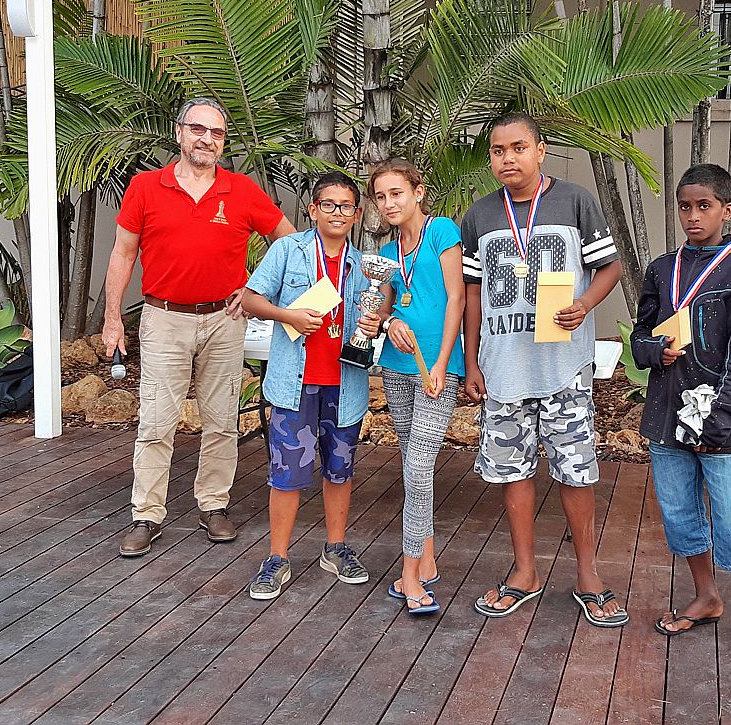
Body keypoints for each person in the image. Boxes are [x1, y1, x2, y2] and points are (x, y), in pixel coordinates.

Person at [105, 97, 295, 559]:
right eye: (198, 129)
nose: (207, 139)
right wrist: (112, 319)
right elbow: (123, 254)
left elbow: (289, 240)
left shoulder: (242, 190)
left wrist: (254, 290)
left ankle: (213, 506)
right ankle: (146, 515)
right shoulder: (146, 187)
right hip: (164, 318)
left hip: (225, 320)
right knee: (156, 422)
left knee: (221, 421)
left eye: (216, 133)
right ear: (179, 133)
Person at [460, 112, 629, 628]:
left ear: (540, 151)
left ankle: (588, 576)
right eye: (496, 151)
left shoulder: (574, 201)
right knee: (513, 471)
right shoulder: (481, 215)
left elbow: (610, 266)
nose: (506, 158)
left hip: (563, 365)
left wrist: (584, 304)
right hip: (505, 366)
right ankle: (525, 574)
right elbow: (470, 291)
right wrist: (471, 360)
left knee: (576, 472)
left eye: (517, 148)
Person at [629, 163, 731, 661]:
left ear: (726, 211)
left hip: (716, 421)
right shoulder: (661, 269)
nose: (693, 216)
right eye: (685, 207)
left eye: (704, 206)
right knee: (679, 513)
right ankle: (707, 595)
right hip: (667, 415)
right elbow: (640, 334)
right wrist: (653, 351)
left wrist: (723, 418)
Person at [240, 172, 371, 600]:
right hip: (294, 386)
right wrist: (288, 316)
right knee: (286, 475)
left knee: (340, 469)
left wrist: (378, 319)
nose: (337, 212)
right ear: (313, 210)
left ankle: (336, 548)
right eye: (328, 204)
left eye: (346, 206)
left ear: (356, 214)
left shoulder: (365, 264)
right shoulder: (287, 251)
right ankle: (276, 558)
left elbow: (377, 317)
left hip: (344, 384)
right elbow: (250, 299)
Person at [355, 159, 465, 616]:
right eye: (380, 197)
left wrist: (442, 361)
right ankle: (430, 554)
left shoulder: (441, 231)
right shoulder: (386, 252)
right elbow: (384, 309)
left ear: (418, 192)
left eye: (397, 193)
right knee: (410, 460)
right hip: (397, 367)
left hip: (438, 368)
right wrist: (386, 319)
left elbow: (457, 296)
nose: (389, 203)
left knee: (419, 466)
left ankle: (409, 573)